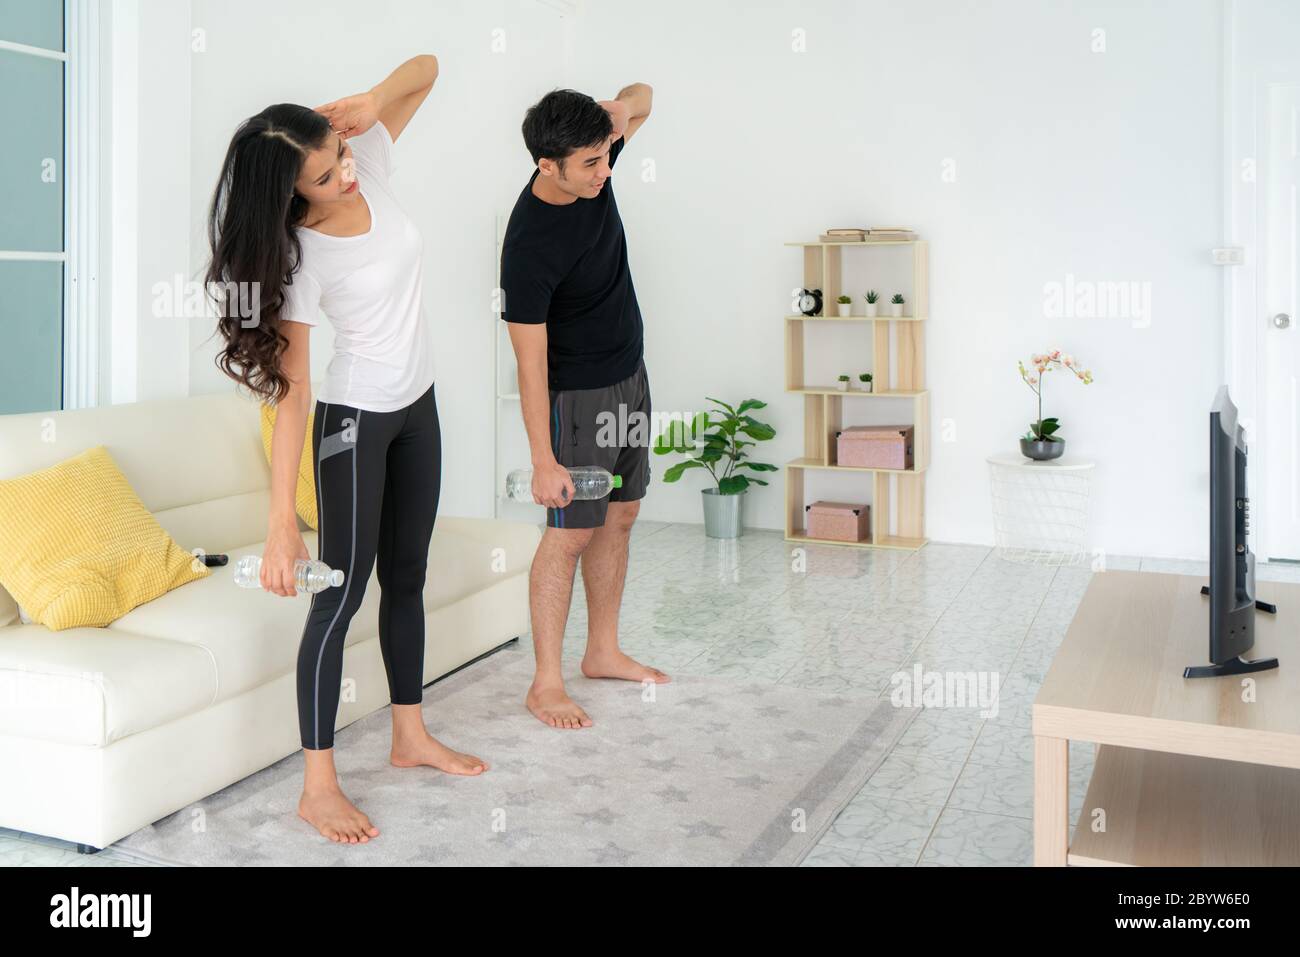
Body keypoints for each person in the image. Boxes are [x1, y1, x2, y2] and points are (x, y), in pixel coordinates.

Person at [208, 55, 487, 846]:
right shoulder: (299, 257)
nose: (346, 176)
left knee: (409, 576)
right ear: (292, 195)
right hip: (355, 421)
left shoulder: (370, 165)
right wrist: (277, 525)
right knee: (341, 594)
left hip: (419, 407)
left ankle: (409, 734)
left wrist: (367, 105)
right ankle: (318, 784)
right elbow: (292, 390)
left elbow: (430, 67)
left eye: (341, 157)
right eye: (327, 176)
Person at [500, 83, 669, 731]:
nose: (606, 172)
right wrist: (543, 458)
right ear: (548, 166)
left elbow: (644, 95)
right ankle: (546, 682)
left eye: (608, 157)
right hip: (576, 397)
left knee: (620, 516)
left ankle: (602, 651)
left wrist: (617, 115)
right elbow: (529, 363)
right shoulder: (529, 249)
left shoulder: (588, 162)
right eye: (592, 164)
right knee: (570, 531)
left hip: (630, 372)